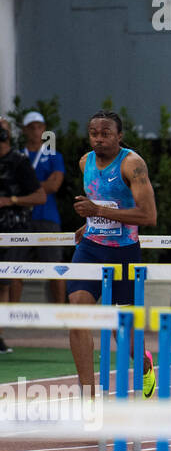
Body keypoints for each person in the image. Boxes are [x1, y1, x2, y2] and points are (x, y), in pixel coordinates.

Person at [66, 111, 157, 396]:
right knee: (77, 316)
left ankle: (143, 364)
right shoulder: (85, 163)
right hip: (90, 249)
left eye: (106, 133)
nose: (99, 138)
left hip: (124, 252)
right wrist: (90, 222)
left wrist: (97, 212)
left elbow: (149, 215)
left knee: (123, 333)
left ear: (119, 136)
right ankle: (88, 395)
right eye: (94, 133)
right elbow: (106, 204)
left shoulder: (132, 164)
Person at [0, 117, 47, 355]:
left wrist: (11, 201)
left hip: (13, 229)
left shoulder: (19, 161)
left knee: (4, 283)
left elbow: (40, 196)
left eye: (3, 129)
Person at [12, 111, 67, 310]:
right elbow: (11, 185)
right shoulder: (16, 156)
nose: (36, 131)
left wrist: (26, 189)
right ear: (25, 130)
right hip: (19, 219)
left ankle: (60, 314)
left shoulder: (53, 155)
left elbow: (55, 185)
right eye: (32, 127)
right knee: (14, 267)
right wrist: (36, 189)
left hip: (47, 217)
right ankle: (12, 315)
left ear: (44, 129)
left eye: (40, 127)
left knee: (55, 267)